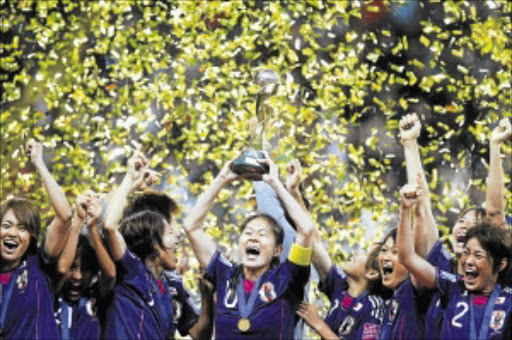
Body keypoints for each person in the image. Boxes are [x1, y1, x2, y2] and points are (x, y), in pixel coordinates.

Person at [184, 154, 315, 339]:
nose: (253, 237)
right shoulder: (224, 274)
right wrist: (222, 179)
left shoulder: (289, 276)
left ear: (278, 249)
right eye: (248, 233)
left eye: (262, 234)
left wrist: (274, 182)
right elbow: (191, 226)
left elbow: (306, 229)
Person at [397, 183, 512, 340]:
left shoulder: (508, 300)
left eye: (478, 255)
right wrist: (404, 211)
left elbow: (496, 210)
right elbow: (407, 258)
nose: (469, 261)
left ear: (501, 264)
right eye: (466, 253)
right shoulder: (452, 285)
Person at [1, 141, 72, 339]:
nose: (13, 233)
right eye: (6, 226)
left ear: (31, 237)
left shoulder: (37, 266)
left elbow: (65, 216)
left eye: (22, 228)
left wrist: (39, 163)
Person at [102, 153, 177, 339]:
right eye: (170, 233)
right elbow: (109, 225)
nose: (177, 239)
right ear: (154, 244)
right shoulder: (133, 270)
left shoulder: (167, 287)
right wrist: (129, 180)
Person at [122, 190, 214, 340]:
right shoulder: (124, 274)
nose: (177, 234)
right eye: (171, 229)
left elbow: (199, 334)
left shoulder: (172, 283)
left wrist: (206, 296)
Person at [54, 191, 116, 340]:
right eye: (72, 267)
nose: (78, 276)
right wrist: (78, 219)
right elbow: (61, 270)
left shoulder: (95, 297)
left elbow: (110, 275)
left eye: (86, 269)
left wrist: (92, 228)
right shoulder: (48, 295)